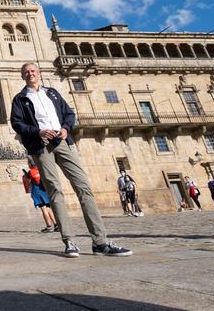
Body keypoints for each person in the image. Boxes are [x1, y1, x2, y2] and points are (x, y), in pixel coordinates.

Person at [10, 62, 132, 258]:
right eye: (26, 72)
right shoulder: (20, 99)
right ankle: (70, 241)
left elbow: (69, 113)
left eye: (33, 71)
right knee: (55, 190)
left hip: (62, 141)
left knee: (83, 187)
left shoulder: (53, 93)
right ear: (22, 76)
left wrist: (66, 128)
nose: (30, 74)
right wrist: (38, 131)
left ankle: (100, 241)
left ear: (39, 73)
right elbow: (17, 123)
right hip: (40, 145)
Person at [22, 163, 57, 232]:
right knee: (48, 208)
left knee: (43, 209)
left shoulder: (31, 171)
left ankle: (49, 226)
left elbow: (29, 183)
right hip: (44, 191)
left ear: (30, 164)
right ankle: (56, 225)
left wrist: (26, 177)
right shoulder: (41, 170)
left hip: (37, 191)